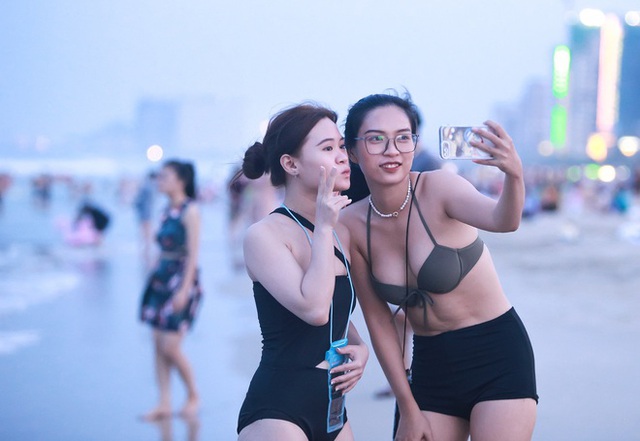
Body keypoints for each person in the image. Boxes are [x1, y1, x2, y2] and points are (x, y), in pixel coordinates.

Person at [341, 93, 538, 441]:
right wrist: (407, 405)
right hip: (430, 364)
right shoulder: (352, 225)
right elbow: (379, 322)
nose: (392, 149)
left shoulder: (439, 189)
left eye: (403, 137)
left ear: (414, 145)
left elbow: (503, 220)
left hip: (496, 353)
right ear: (353, 152)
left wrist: (514, 175)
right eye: (376, 139)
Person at [236, 103, 369, 441]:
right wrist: (324, 228)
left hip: (332, 405)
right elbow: (313, 309)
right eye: (327, 148)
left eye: (341, 146)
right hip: (279, 407)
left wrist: (359, 345)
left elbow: (336, 303)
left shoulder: (339, 231)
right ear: (290, 164)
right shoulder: (264, 235)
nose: (342, 157)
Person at [139, 159, 203, 421]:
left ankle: (193, 395)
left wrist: (184, 290)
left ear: (181, 181)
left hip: (181, 281)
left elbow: (193, 254)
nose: (159, 181)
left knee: (170, 346)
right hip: (160, 280)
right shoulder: (166, 210)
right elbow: (162, 247)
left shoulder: (191, 211)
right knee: (157, 344)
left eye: (165, 176)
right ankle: (164, 401)